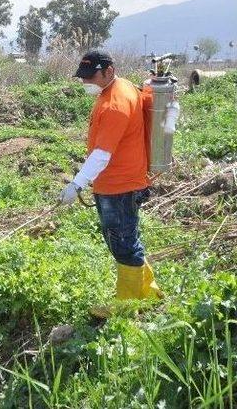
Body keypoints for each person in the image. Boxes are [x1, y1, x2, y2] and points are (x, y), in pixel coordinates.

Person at [58, 50, 164, 305]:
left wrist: (77, 184)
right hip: (123, 180)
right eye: (82, 77)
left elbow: (102, 155)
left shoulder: (115, 104)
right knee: (126, 237)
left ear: (109, 71)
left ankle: (126, 304)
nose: (85, 83)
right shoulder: (122, 87)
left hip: (119, 185)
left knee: (122, 243)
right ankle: (148, 292)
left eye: (90, 76)